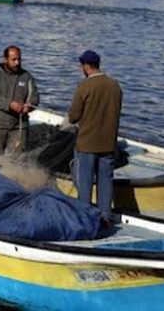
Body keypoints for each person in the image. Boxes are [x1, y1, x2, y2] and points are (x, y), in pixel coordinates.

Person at [68, 50, 122, 225]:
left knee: (85, 186)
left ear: (86, 66)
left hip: (87, 145)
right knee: (105, 183)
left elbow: (73, 116)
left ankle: (86, 220)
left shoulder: (84, 87)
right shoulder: (115, 86)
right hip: (108, 144)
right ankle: (105, 217)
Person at [0, 45, 40, 155]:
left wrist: (28, 107)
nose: (17, 63)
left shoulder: (27, 76)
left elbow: (35, 97)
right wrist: (10, 104)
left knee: (17, 161)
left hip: (19, 128)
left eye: (19, 59)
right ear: (5, 59)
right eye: (13, 59)